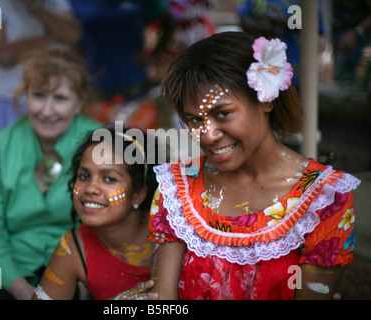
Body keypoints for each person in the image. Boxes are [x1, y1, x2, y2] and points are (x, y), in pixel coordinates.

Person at [148, 32, 361, 300]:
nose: (207, 134)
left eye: (222, 113)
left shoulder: (324, 199)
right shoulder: (177, 189)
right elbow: (162, 300)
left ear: (266, 100)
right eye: (194, 120)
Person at [0, 48, 101, 300]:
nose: (47, 111)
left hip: (82, 265)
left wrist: (79, 285)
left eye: (60, 98)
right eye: (38, 95)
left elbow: (109, 226)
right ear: (24, 95)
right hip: (9, 266)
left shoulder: (100, 145)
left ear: (79, 102)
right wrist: (26, 293)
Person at [32, 126, 159, 300]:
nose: (91, 188)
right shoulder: (75, 247)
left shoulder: (171, 238)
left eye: (109, 179)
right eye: (84, 176)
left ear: (138, 194)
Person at [0, 0, 81, 157]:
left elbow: (71, 34)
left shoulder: (55, 2)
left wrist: (34, 6)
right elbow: (1, 53)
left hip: (51, 99)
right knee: (4, 164)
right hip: (4, 100)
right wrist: (49, 38)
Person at [69, 0, 175, 131]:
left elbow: (169, 22)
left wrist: (154, 56)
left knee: (141, 149)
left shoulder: (144, 3)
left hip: (137, 94)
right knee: (98, 149)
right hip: (94, 96)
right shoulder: (74, 3)